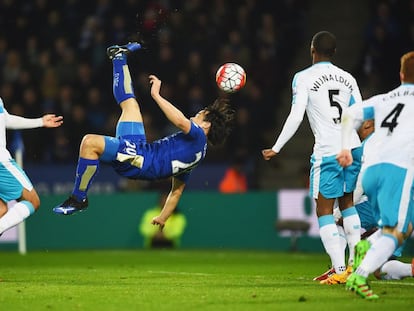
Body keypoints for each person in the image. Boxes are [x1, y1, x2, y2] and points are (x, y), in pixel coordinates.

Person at [53, 42, 235, 229]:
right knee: (130, 104)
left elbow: (180, 120)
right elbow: (176, 192)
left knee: (89, 142)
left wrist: (156, 95)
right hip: (141, 149)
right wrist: (163, 217)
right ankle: (119, 57)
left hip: (139, 160)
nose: (195, 114)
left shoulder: (198, 136)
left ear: (206, 124)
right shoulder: (196, 155)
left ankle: (78, 198)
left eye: (200, 114)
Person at [262, 31, 363, 284]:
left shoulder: (303, 77)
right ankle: (355, 266)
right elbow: (360, 113)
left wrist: (277, 146)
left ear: (312, 49)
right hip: (353, 147)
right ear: (335, 52)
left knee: (324, 210)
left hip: (328, 151)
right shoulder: (348, 78)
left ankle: (339, 270)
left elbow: (296, 115)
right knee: (348, 203)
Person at [337, 50, 414, 299]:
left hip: (371, 170)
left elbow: (349, 114)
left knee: (401, 227)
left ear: (401, 75)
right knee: (397, 231)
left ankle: (366, 246)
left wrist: (345, 147)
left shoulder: (384, 99)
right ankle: (360, 274)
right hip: (398, 169)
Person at [0, 98, 63, 235]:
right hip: (1, 162)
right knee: (32, 201)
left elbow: (6, 119)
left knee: (2, 210)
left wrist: (40, 122)